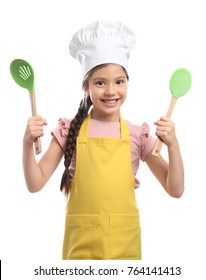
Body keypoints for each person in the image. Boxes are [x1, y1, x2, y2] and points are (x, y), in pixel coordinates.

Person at [23, 21, 184, 260]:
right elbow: (35, 183)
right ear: (86, 86)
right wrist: (27, 143)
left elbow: (175, 189)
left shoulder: (136, 135)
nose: (111, 91)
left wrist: (173, 145)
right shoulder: (69, 132)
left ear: (127, 83)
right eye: (100, 82)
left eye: (119, 81)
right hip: (81, 250)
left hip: (124, 247)